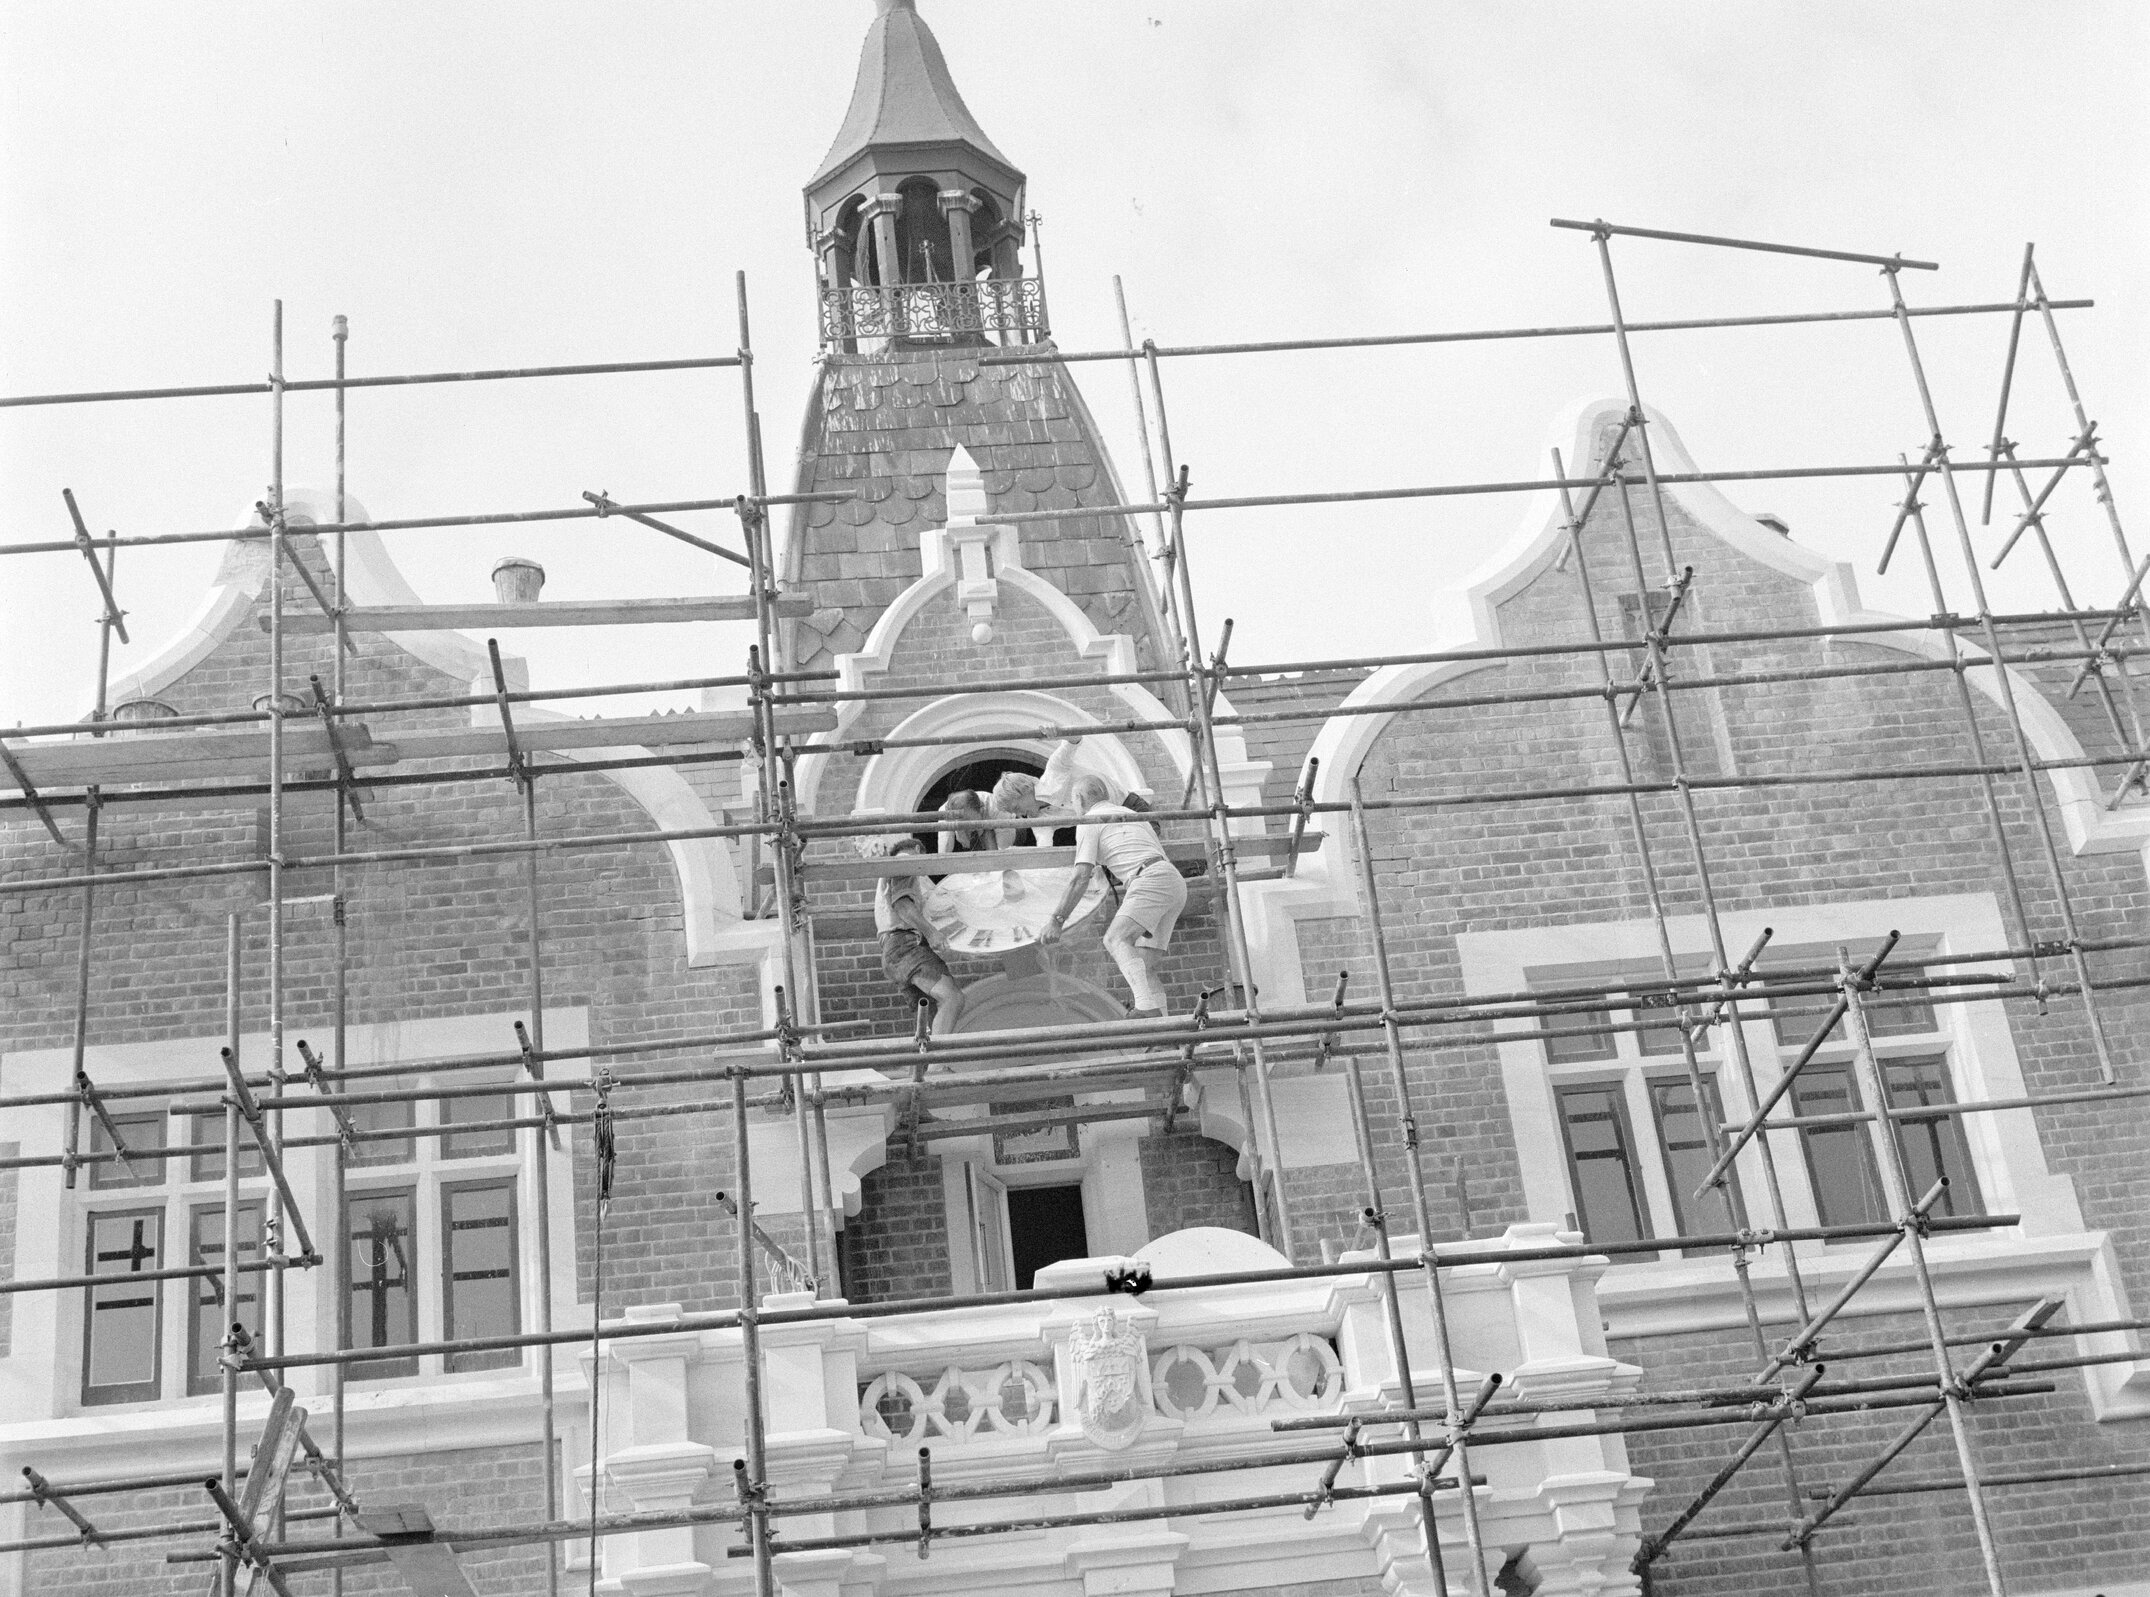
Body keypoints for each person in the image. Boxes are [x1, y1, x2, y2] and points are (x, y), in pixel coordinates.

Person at [1037, 774, 1186, 1017]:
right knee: (1145, 969)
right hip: (1173, 880)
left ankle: (1147, 1010)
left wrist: (1057, 919)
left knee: (1115, 939)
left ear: (1079, 798)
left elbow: (1080, 878)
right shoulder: (1135, 815)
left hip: (1149, 879)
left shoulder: (1090, 821)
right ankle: (1163, 1035)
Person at [876, 836, 965, 1036]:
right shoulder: (907, 860)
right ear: (918, 849)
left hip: (896, 951)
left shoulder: (892, 870)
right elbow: (902, 904)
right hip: (906, 945)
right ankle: (936, 1068)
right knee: (952, 998)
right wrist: (932, 933)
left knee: (929, 1017)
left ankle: (928, 1066)